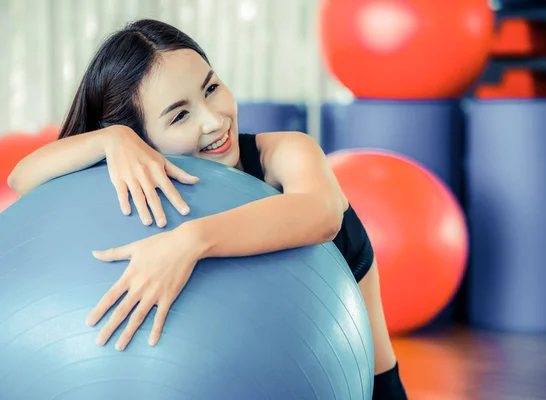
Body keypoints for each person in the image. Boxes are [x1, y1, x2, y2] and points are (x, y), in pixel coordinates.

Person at [7, 19, 408, 400]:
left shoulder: (284, 152)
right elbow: (21, 180)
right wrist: (109, 140)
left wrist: (188, 242)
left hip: (362, 377)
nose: (215, 121)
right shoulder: (140, 176)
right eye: (180, 114)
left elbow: (321, 214)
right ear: (141, 137)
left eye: (211, 88)